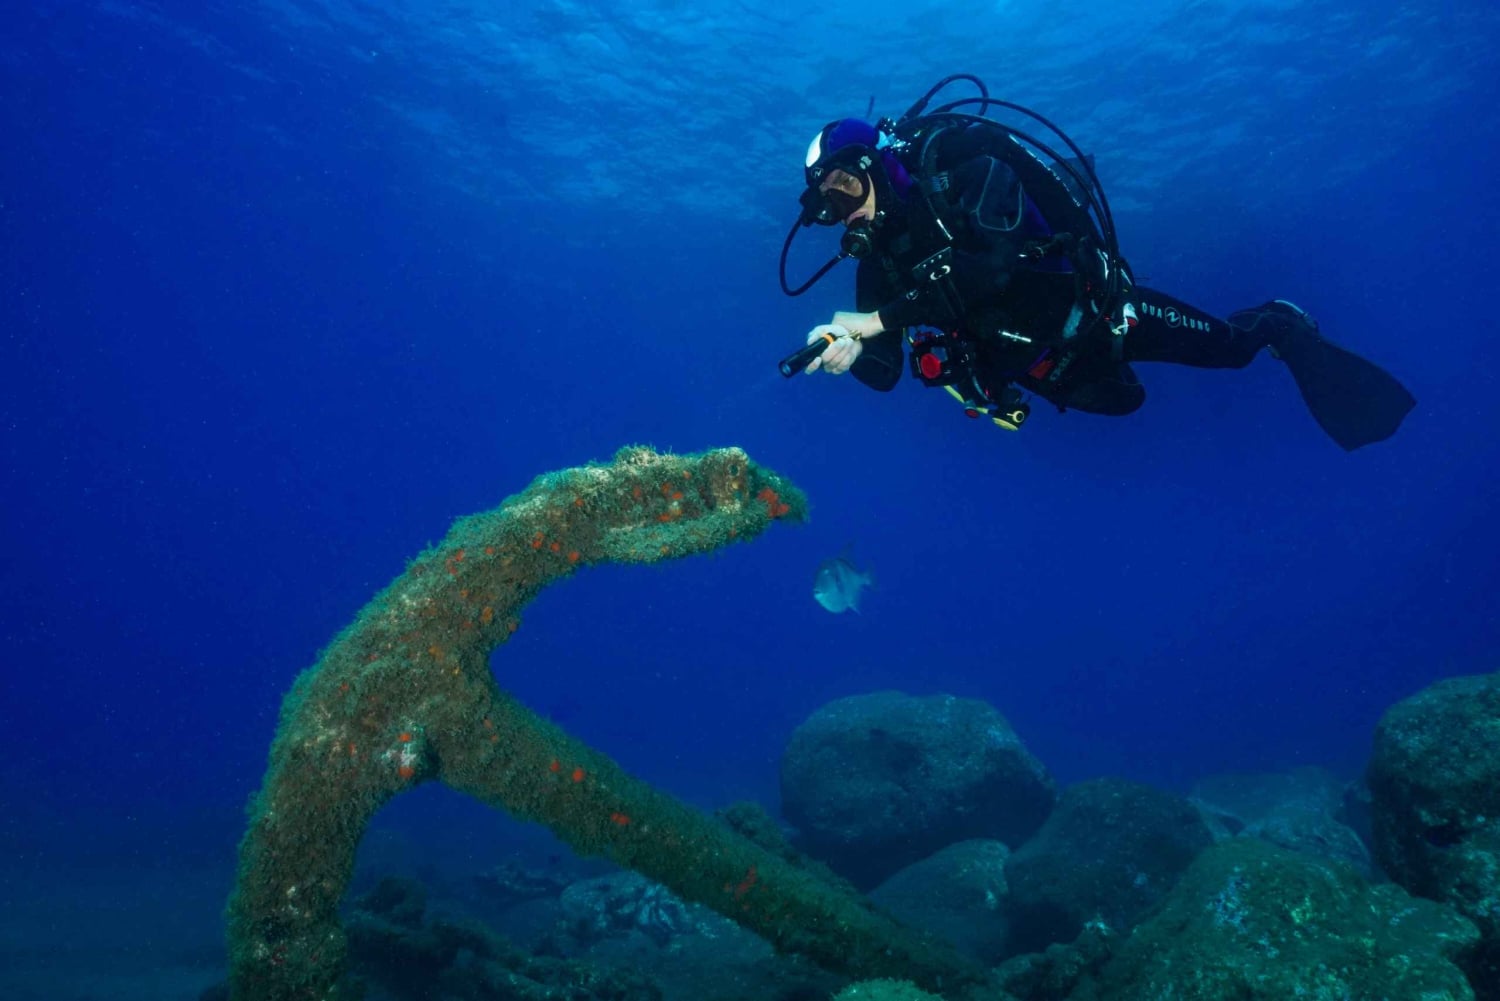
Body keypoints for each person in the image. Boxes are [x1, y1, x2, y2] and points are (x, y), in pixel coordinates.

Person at [778, 76, 1415, 450]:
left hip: (1106, 313)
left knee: (1232, 350)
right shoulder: (882, 260)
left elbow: (992, 266)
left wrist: (878, 320)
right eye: (824, 203)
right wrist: (845, 347)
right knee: (1127, 403)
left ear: (880, 168)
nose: (841, 211)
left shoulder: (966, 170)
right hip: (1044, 367)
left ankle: (1276, 323)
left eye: (845, 188)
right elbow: (886, 368)